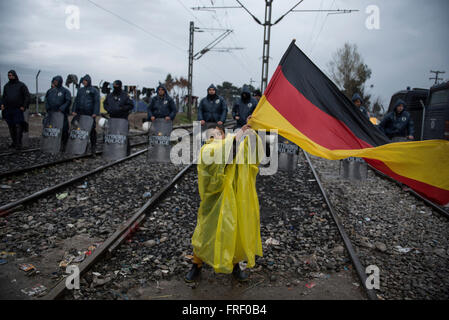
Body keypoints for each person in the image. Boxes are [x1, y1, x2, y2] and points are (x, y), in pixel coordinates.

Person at [185, 123, 263, 283]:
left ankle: (235, 266)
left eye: (218, 134)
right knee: (204, 233)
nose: (215, 138)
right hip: (213, 202)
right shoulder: (207, 151)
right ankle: (196, 265)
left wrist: (252, 131)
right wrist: (240, 133)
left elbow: (253, 154)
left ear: (224, 136)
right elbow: (224, 154)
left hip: (232, 200)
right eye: (211, 136)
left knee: (233, 232)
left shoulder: (233, 146)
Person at [1, 70, 30, 149]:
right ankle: (14, 142)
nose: (9, 77)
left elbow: (27, 96)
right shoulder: (6, 86)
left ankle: (18, 143)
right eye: (8, 75)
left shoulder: (21, 85)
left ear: (14, 75)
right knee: (11, 126)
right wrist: (2, 104)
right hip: (8, 109)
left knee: (18, 126)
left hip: (18, 109)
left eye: (11, 75)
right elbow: (4, 97)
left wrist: (24, 106)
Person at [72, 74, 100, 153]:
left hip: (90, 114)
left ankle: (93, 146)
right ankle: (83, 146)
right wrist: (74, 110)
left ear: (88, 81)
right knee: (81, 130)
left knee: (91, 130)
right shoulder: (80, 90)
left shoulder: (94, 90)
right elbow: (76, 101)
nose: (84, 82)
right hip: (81, 113)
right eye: (83, 81)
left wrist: (95, 112)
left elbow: (96, 102)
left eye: (85, 81)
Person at [44, 75, 72, 150]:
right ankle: (54, 143)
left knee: (64, 129)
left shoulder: (65, 91)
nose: (55, 82)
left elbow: (68, 101)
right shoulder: (50, 91)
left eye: (56, 81)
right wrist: (47, 108)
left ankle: (64, 144)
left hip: (61, 114)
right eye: (54, 81)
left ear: (60, 81)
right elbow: (46, 100)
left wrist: (62, 108)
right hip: (52, 113)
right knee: (53, 129)